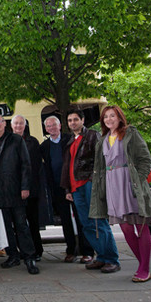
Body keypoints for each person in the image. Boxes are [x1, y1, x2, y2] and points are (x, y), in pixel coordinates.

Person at [89, 105, 151, 283]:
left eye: (112, 116)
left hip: (130, 183)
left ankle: (144, 268)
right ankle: (143, 263)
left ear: (119, 117)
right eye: (105, 117)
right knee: (126, 229)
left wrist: (138, 181)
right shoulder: (103, 139)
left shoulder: (130, 133)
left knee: (141, 226)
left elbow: (145, 159)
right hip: (113, 186)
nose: (109, 119)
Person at [60, 108, 120, 274]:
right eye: (70, 120)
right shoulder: (70, 141)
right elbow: (67, 167)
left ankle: (112, 259)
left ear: (82, 120)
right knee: (86, 225)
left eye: (75, 119)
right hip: (75, 188)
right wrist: (67, 189)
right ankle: (101, 256)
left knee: (99, 222)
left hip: (89, 184)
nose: (72, 123)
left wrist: (96, 181)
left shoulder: (93, 136)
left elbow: (103, 159)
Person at [0, 114, 39, 275]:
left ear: (4, 123)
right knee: (6, 227)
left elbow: (26, 165)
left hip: (16, 191)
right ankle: (13, 255)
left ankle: (29, 257)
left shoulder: (16, 140)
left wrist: (25, 187)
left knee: (22, 225)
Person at [41, 115, 93, 263]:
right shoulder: (44, 147)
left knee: (82, 218)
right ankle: (71, 250)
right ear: (46, 129)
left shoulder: (69, 140)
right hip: (58, 189)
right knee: (66, 221)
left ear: (60, 126)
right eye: (48, 126)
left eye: (54, 125)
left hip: (75, 185)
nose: (51, 128)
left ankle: (87, 250)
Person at [10, 115, 47, 261]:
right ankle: (23, 251)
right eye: (16, 124)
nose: (18, 126)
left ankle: (37, 250)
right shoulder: (8, 141)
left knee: (33, 222)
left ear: (25, 125)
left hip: (30, 189)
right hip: (13, 190)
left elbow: (36, 166)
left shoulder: (32, 142)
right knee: (18, 223)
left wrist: (29, 186)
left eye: (21, 124)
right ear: (11, 125)